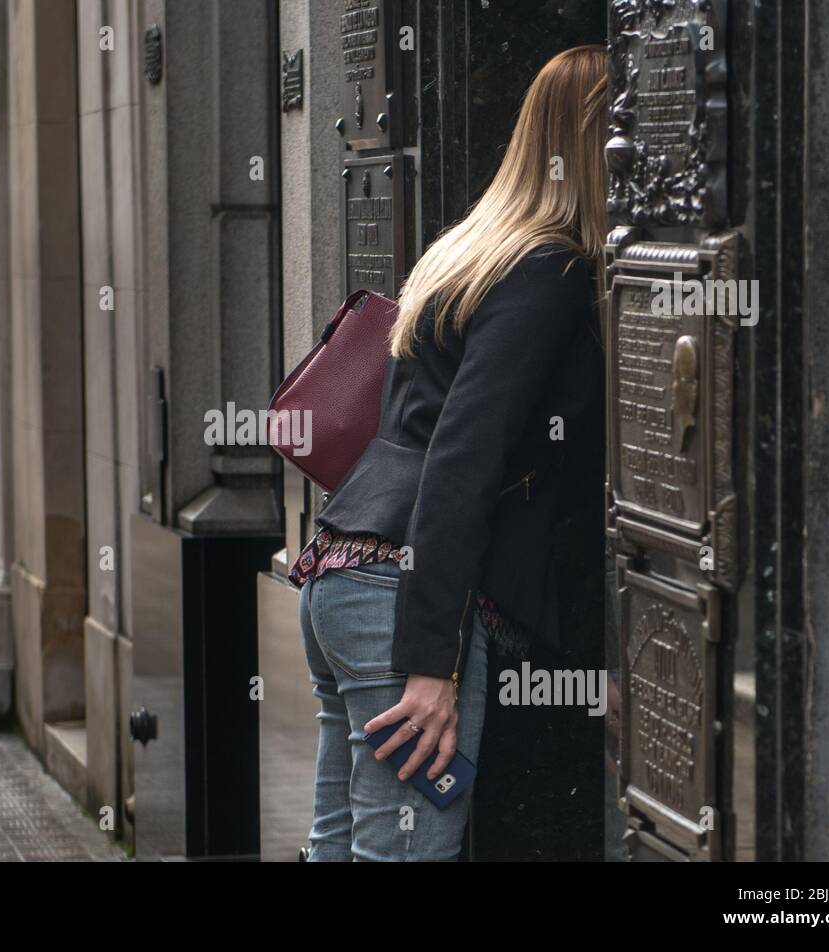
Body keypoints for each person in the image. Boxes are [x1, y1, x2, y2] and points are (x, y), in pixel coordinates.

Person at [291, 45, 608, 861]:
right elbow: (461, 459)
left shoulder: (470, 250)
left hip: (343, 577)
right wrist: (432, 664)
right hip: (405, 601)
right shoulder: (550, 269)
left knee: (343, 844)